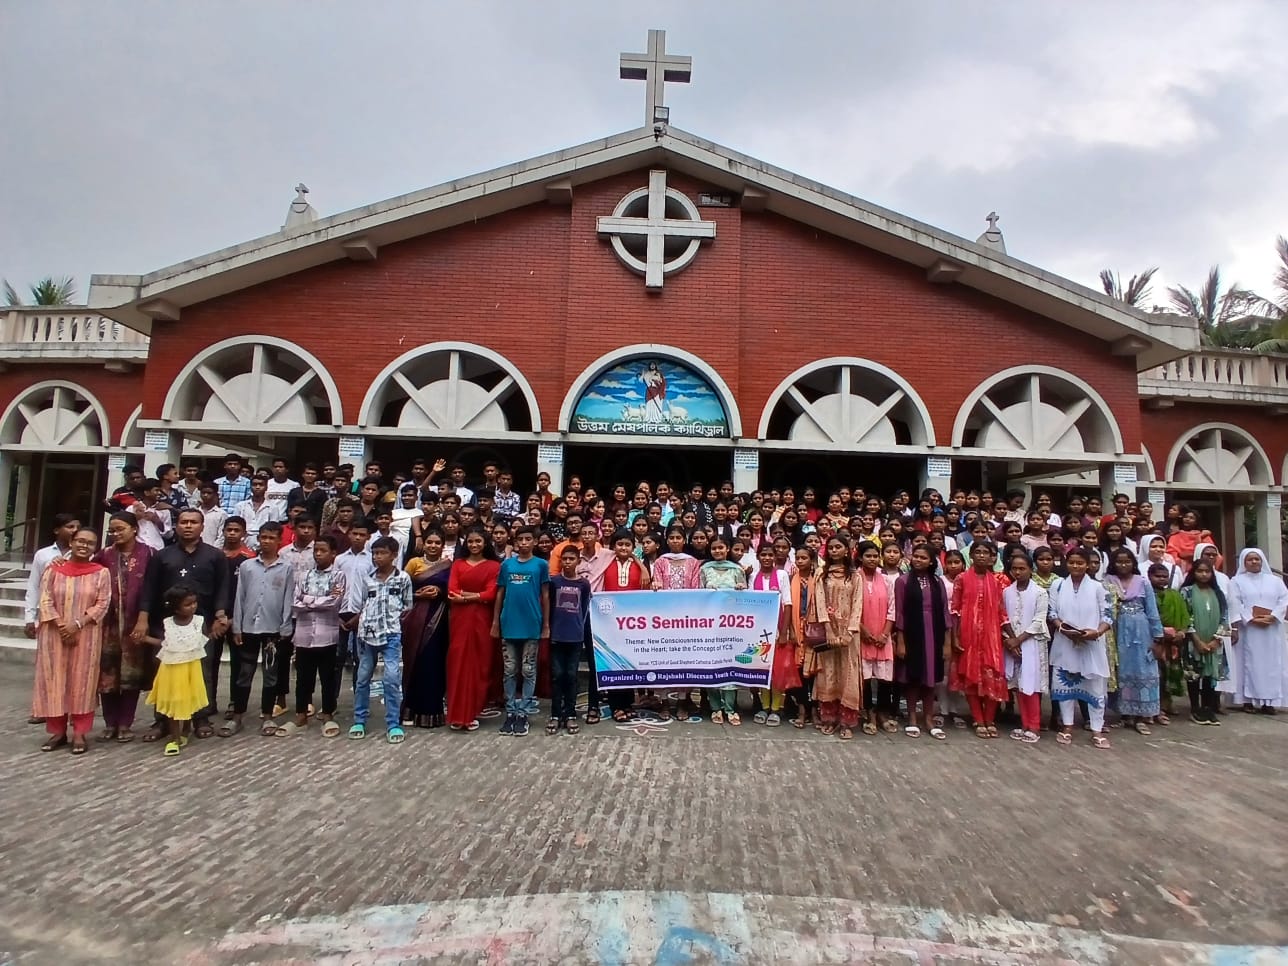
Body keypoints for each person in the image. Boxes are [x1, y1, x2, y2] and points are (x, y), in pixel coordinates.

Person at [137, 507, 231, 742]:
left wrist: (220, 616)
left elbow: (223, 587)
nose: (188, 526)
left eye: (193, 522)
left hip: (203, 622)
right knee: (165, 672)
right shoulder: (162, 556)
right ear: (176, 526)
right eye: (183, 522)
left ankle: (201, 718)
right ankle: (162, 720)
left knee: (201, 671)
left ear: (202, 527)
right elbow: (149, 588)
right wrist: (143, 619)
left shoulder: (215, 556)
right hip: (167, 623)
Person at [31, 528, 110, 755]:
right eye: (80, 541)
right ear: (72, 542)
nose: (84, 546)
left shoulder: (101, 573)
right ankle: (57, 732)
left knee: (82, 682)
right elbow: (45, 599)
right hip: (54, 634)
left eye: (90, 543)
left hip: (86, 635)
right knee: (54, 681)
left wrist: (76, 624)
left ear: (95, 547)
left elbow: (102, 603)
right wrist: (61, 625)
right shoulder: (54, 569)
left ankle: (79, 733)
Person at [229, 521, 295, 737]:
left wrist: (285, 626)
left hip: (272, 630)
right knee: (244, 673)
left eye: (271, 538)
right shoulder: (247, 566)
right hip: (248, 627)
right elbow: (240, 597)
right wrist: (237, 626)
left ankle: (267, 716)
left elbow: (288, 599)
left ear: (279, 541)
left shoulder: (286, 569)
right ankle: (237, 716)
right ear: (258, 539)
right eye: (263, 537)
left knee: (271, 675)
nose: (267, 541)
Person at [92, 513, 155, 742]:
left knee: (132, 674)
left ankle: (125, 723)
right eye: (112, 530)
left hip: (136, 622)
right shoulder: (104, 555)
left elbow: (153, 587)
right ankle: (110, 723)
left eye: (121, 529)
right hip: (107, 625)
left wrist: (145, 619)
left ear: (134, 529)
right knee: (107, 674)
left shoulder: (149, 554)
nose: (116, 534)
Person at [347, 535, 414, 742]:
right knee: (362, 678)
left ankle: (393, 723)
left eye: (382, 553)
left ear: (393, 555)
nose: (377, 557)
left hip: (391, 634)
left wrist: (398, 625)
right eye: (375, 553)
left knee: (391, 679)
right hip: (367, 635)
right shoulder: (367, 579)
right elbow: (361, 604)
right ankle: (359, 719)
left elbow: (408, 607)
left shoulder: (403, 578)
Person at [281, 534, 346, 737]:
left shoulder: (338, 576)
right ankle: (301, 714)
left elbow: (333, 602)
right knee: (303, 677)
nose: (318, 554)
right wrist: (317, 601)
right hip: (304, 634)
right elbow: (295, 602)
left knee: (327, 677)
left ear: (333, 553)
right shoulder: (304, 576)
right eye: (316, 550)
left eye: (323, 550)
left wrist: (308, 600)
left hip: (327, 635)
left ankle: (328, 714)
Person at [1049, 547, 1114, 749]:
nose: (1075, 566)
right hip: (1065, 641)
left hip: (1092, 643)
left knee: (1095, 686)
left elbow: (1108, 615)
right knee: (1065, 685)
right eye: (1072, 562)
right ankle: (1067, 726)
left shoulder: (1098, 587)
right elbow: (1052, 613)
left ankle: (1097, 729)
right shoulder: (1058, 585)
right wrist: (1064, 629)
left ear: (1088, 565)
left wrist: (1097, 632)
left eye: (1080, 563)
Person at [490, 526, 550, 737]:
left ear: (534, 542)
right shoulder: (507, 565)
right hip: (509, 623)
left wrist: (546, 625)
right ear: (515, 542)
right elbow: (500, 593)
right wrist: (495, 622)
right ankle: (510, 712)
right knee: (509, 669)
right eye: (520, 539)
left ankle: (523, 713)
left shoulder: (541, 565)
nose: (524, 543)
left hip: (532, 623)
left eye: (528, 539)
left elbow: (545, 596)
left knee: (528, 669)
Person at [951, 542, 1012, 739]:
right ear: (971, 555)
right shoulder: (961, 578)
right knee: (971, 677)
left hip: (991, 637)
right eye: (977, 552)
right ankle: (978, 719)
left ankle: (989, 719)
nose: (982, 556)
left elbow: (1002, 612)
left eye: (986, 553)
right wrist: (954, 637)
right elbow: (955, 610)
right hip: (968, 636)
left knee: (993, 675)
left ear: (993, 557)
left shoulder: (997, 581)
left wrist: (1012, 637)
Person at [1103, 547, 1165, 734]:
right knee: (1121, 670)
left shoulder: (1143, 582)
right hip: (1116, 631)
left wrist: (1158, 637)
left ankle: (1141, 716)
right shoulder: (1107, 582)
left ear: (1133, 563)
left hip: (1141, 633)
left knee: (1143, 670)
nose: (1123, 565)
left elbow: (1152, 611)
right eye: (1119, 562)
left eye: (1127, 561)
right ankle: (1125, 715)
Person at [144, 585, 210, 756]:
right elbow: (165, 643)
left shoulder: (198, 622)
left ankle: (186, 730)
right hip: (172, 670)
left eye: (194, 602)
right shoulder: (168, 623)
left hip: (191, 669)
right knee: (174, 703)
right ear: (175, 608)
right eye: (187, 604)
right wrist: (146, 639)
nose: (193, 606)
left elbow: (201, 641)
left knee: (189, 701)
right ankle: (174, 738)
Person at [809, 535, 864, 739]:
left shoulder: (855, 576)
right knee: (828, 673)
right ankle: (829, 718)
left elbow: (858, 604)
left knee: (848, 673)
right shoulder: (821, 574)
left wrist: (850, 632)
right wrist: (829, 630)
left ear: (846, 550)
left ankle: (846, 722)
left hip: (850, 633)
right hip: (828, 631)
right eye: (831, 547)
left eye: (838, 547)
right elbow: (819, 602)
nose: (834, 550)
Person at [446, 528, 501, 731]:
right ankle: (457, 714)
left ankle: (472, 712)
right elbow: (452, 591)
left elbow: (491, 593)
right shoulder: (458, 564)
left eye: (478, 541)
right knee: (458, 662)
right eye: (470, 541)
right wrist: (477, 596)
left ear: (485, 543)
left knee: (480, 664)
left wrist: (467, 596)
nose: (474, 545)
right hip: (460, 620)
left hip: (483, 619)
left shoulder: (494, 566)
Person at [894, 545, 950, 740]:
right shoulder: (903, 581)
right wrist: (901, 641)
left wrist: (947, 643)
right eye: (916, 556)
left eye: (923, 557)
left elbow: (945, 612)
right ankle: (912, 717)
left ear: (931, 561)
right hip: (912, 633)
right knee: (913, 677)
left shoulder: (937, 582)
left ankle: (928, 718)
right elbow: (899, 612)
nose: (918, 560)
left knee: (931, 678)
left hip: (934, 633)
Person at [401, 529, 452, 729]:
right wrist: (418, 595)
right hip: (416, 617)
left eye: (437, 543)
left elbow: (452, 588)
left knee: (434, 662)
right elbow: (401, 587)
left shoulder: (448, 565)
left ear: (442, 546)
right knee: (415, 660)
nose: (433, 546)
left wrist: (439, 590)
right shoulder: (414, 563)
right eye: (430, 542)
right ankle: (410, 709)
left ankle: (432, 711)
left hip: (439, 618)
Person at [1229, 548, 1288, 714]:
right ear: (1244, 562)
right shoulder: (1236, 581)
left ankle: (1269, 702)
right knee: (1248, 664)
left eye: (1257, 559)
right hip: (1249, 629)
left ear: (1262, 561)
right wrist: (1250, 618)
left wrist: (1273, 616)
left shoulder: (1275, 581)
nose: (1254, 562)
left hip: (1272, 629)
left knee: (1272, 666)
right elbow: (1235, 603)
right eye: (1250, 559)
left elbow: (1284, 600)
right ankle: (1247, 701)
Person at [604, 529, 654, 722]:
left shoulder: (639, 567)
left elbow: (645, 592)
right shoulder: (606, 562)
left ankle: (627, 703)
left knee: (628, 663)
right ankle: (616, 705)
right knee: (613, 664)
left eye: (627, 545)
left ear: (633, 547)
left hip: (632, 624)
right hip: (609, 622)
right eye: (620, 544)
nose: (623, 548)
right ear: (613, 546)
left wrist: (639, 563)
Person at [1001, 553, 1049, 743]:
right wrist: (1010, 641)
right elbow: (1004, 618)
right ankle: (1024, 724)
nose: (1018, 572)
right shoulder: (1007, 592)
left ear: (1031, 569)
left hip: (1031, 642)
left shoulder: (1040, 592)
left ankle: (1034, 726)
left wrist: (1019, 640)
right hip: (1012, 643)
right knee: (1019, 685)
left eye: (1022, 568)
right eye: (1014, 569)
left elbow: (1039, 620)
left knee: (1031, 684)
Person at [1180, 560, 1230, 725]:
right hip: (1193, 642)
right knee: (1194, 675)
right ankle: (1195, 709)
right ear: (1193, 573)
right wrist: (1197, 640)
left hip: (1214, 642)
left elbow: (1224, 617)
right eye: (1200, 571)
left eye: (1207, 571)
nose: (1203, 574)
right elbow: (1185, 617)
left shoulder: (1217, 593)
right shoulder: (1186, 592)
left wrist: (1216, 639)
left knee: (1210, 676)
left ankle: (1208, 708)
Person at [855, 540, 896, 734]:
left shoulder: (886, 580)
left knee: (884, 679)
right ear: (860, 557)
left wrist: (885, 634)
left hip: (883, 637)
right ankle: (868, 713)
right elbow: (851, 608)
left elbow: (892, 609)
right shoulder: (854, 578)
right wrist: (863, 630)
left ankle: (882, 713)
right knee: (864, 678)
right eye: (868, 556)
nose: (872, 559)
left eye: (875, 556)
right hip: (860, 635)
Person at [750, 542, 793, 727]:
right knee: (763, 670)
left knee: (777, 671)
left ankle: (776, 709)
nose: (767, 558)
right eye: (763, 555)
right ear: (758, 557)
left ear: (775, 557)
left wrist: (784, 632)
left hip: (777, 630)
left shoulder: (782, 575)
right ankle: (764, 706)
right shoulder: (753, 576)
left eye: (770, 555)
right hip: (759, 631)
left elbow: (788, 604)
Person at [549, 546, 591, 735]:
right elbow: (549, 606)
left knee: (571, 675)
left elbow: (584, 608)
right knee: (558, 675)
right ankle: (555, 714)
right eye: (564, 559)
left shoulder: (584, 584)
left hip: (575, 636)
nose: (567, 562)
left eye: (571, 559)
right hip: (557, 635)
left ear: (578, 561)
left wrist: (580, 629)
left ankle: (570, 714)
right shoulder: (554, 582)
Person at [1149, 561, 1190, 721]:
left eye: (1165, 576)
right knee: (1157, 674)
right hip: (1155, 640)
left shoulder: (1175, 595)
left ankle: (1167, 702)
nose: (1162, 579)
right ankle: (1156, 706)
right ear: (1149, 576)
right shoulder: (1147, 595)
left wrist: (1181, 632)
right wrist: (1160, 632)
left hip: (1173, 641)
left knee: (1169, 673)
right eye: (1158, 576)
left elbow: (1184, 616)